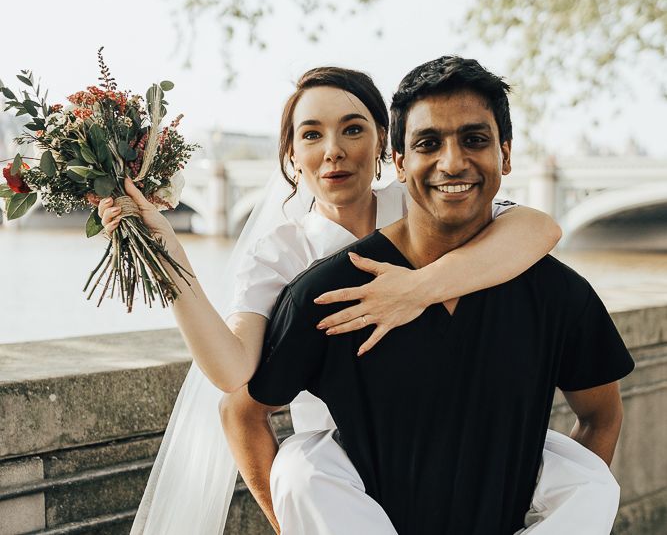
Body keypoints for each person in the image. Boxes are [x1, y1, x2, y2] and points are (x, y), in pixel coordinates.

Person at [99, 67, 560, 533]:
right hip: (344, 479)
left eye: (353, 129)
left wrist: (416, 288)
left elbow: (538, 229)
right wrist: (167, 256)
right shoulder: (279, 253)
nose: (333, 151)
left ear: (385, 141)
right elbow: (233, 373)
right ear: (292, 154)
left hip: (456, 455)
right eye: (312, 134)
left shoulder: (421, 199)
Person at [243, 57, 635, 535]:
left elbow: (601, 417)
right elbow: (244, 411)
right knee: (298, 467)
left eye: (474, 140)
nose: (452, 162)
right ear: (400, 163)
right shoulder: (327, 293)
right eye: (429, 144)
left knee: (592, 482)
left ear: (505, 155)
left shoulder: (558, 294)